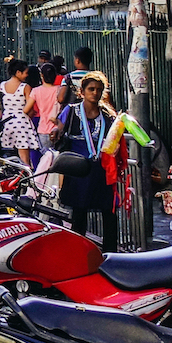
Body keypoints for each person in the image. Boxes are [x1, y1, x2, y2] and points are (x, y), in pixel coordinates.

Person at [49, 74, 121, 250]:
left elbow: (114, 139)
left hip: (101, 170)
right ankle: (78, 252)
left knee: (109, 212)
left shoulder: (108, 116)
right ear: (81, 92)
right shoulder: (71, 111)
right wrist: (55, 133)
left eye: (98, 90)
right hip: (78, 170)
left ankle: (111, 253)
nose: (95, 93)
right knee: (79, 214)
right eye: (91, 89)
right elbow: (58, 129)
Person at [0, 59, 39, 166]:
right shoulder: (25, 87)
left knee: (8, 157)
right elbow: (29, 108)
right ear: (18, 72)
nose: (26, 75)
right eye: (25, 72)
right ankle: (25, 179)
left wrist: (4, 117)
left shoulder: (2, 86)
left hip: (6, 123)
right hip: (22, 123)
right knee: (25, 159)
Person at [26, 62, 62, 153]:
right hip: (58, 128)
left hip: (43, 129)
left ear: (41, 75)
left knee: (46, 158)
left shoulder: (36, 91)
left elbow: (26, 109)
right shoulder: (60, 90)